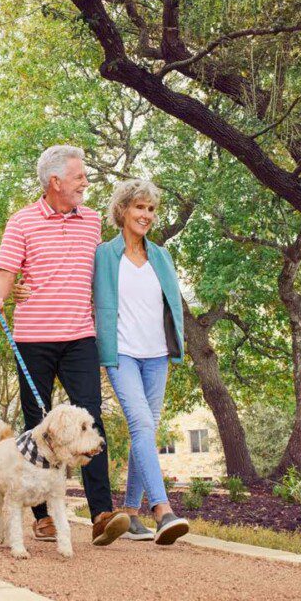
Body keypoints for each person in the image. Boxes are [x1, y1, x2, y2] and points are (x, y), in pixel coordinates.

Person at [0, 144, 130, 547]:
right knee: (37, 426)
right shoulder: (21, 222)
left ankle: (101, 512)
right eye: (79, 176)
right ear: (55, 181)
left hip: (80, 335)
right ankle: (43, 517)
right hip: (34, 339)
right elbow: (4, 277)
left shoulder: (93, 220)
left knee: (90, 417)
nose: (85, 182)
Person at [93, 179, 189, 545]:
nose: (146, 215)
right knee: (142, 424)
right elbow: (72, 281)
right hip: (122, 354)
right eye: (139, 207)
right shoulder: (104, 254)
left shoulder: (161, 256)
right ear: (122, 211)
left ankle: (131, 513)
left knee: (144, 431)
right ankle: (163, 510)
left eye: (150, 209)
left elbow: (171, 306)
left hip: (157, 355)